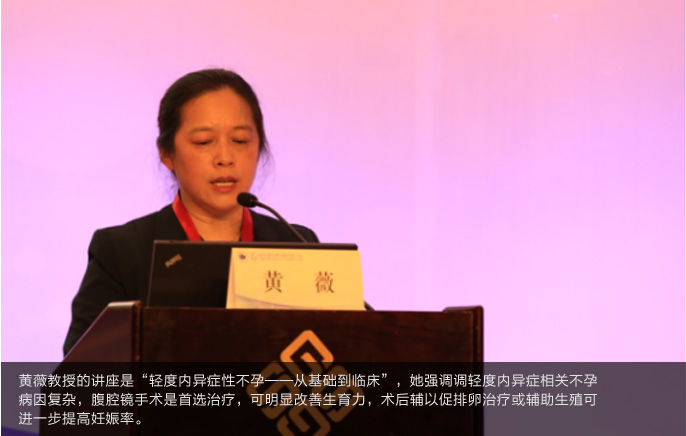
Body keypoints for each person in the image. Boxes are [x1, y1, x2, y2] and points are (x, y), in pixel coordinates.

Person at [63, 69, 318, 356]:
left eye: (240, 140)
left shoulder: (298, 244)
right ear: (166, 153)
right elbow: (83, 371)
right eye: (203, 142)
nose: (225, 158)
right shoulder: (123, 252)